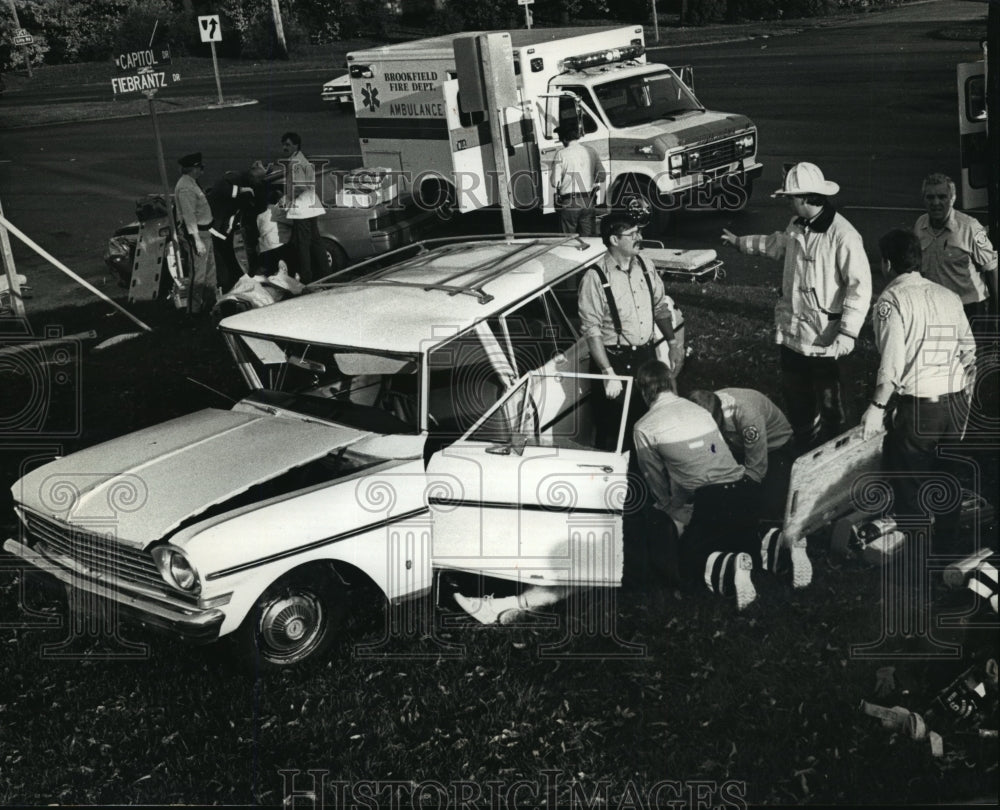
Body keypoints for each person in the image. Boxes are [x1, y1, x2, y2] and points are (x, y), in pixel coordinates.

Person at [632, 361, 810, 609]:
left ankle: (728, 568)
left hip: (710, 498)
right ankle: (775, 543)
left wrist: (670, 507)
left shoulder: (644, 427)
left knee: (689, 558)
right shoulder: (700, 411)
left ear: (643, 391)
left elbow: (655, 478)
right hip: (742, 487)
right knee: (740, 535)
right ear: (672, 383)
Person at [721, 162, 871, 450]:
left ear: (804, 197)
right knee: (797, 398)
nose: (787, 202)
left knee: (832, 404)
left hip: (826, 339)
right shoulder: (796, 226)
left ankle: (838, 454)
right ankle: (805, 447)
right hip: (793, 336)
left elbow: (860, 286)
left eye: (790, 197)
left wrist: (848, 333)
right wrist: (741, 242)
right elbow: (776, 245)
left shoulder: (843, 235)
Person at [861, 229, 977, 554]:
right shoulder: (948, 296)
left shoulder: (891, 301)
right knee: (948, 479)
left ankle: (915, 549)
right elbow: (969, 353)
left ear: (886, 264)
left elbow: (891, 367)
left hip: (920, 408)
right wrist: (965, 400)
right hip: (955, 403)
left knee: (908, 480)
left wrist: (876, 407)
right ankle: (947, 548)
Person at [578, 212, 684, 451]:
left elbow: (660, 307)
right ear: (614, 240)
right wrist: (607, 373)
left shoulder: (646, 266)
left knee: (651, 421)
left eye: (639, 232)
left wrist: (673, 344)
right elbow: (591, 330)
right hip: (614, 361)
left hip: (645, 358)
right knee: (614, 431)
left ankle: (645, 475)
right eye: (633, 234)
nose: (640, 237)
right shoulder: (595, 278)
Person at [686, 387, 794, 522]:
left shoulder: (747, 415)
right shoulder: (703, 406)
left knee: (768, 505)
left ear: (718, 416)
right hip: (737, 447)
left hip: (773, 448)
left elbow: (756, 470)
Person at [914, 172, 997, 337]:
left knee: (973, 360)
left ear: (952, 199)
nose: (936, 202)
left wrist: (996, 313)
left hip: (970, 309)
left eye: (942, 197)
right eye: (930, 197)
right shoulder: (920, 225)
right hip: (935, 308)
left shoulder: (970, 228)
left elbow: (992, 269)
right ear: (924, 199)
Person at [207, 162, 269, 292]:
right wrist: (242, 191)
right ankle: (224, 285)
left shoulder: (250, 183)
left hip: (226, 229)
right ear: (252, 173)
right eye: (259, 178)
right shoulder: (234, 177)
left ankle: (231, 284)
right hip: (216, 226)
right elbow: (221, 189)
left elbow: (257, 206)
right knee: (221, 260)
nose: (258, 182)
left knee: (228, 259)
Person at [173, 152, 217, 315]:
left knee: (210, 273)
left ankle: (210, 307)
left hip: (205, 232)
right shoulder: (186, 187)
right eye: (200, 167)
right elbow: (189, 216)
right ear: (193, 169)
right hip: (197, 235)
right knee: (198, 276)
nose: (202, 170)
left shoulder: (191, 183)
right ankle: (194, 312)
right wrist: (197, 240)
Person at [280, 132, 325, 283]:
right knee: (315, 241)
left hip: (303, 208)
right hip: (311, 206)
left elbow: (299, 187)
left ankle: (307, 277)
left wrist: (288, 200)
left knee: (303, 245)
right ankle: (324, 272)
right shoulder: (300, 159)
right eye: (284, 144)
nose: (284, 147)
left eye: (288, 144)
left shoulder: (296, 163)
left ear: (296, 145)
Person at [550, 122, 606, 236]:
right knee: (589, 239)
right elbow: (602, 176)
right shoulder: (591, 151)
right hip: (588, 200)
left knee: (568, 240)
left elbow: (555, 182)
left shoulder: (561, 154)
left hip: (570, 202)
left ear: (564, 139)